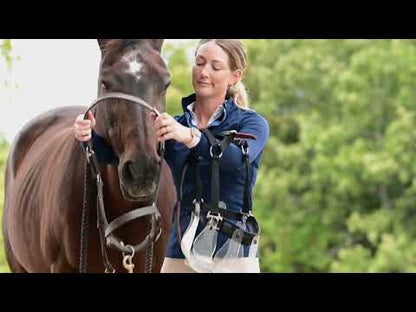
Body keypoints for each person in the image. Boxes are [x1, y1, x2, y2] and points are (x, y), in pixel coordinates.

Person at [74, 39, 270, 273]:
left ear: (235, 76)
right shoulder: (175, 125)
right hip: (180, 253)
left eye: (215, 67)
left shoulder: (251, 123)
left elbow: (236, 161)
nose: (204, 72)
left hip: (232, 254)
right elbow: (122, 159)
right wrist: (89, 138)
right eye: (199, 63)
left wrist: (190, 137)